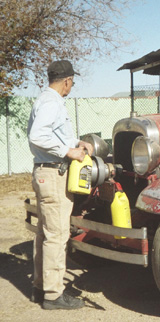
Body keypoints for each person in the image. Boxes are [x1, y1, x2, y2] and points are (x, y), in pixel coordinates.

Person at [27, 60, 93, 310]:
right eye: (72, 83)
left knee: (45, 234)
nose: (71, 87)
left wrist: (77, 142)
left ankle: (40, 287)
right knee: (57, 236)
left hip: (45, 172)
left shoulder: (44, 100)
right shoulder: (52, 102)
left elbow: (49, 133)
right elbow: (38, 135)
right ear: (67, 81)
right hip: (53, 174)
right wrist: (69, 151)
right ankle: (54, 296)